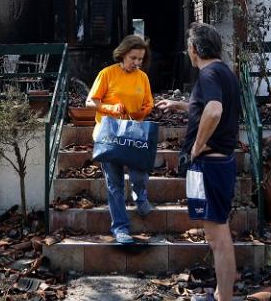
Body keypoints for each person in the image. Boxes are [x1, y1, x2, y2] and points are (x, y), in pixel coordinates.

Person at [156, 22, 240, 301]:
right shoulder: (224, 72)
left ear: (194, 49)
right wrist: (181, 105)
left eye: (188, 47)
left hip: (210, 164)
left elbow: (214, 111)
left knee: (218, 237)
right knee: (218, 231)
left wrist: (197, 146)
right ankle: (220, 291)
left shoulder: (208, 75)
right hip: (220, 163)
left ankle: (223, 297)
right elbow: (209, 106)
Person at [86, 35, 154, 244]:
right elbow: (91, 101)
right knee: (114, 184)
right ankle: (121, 229)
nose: (137, 63)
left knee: (140, 173)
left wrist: (144, 110)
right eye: (133, 58)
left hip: (134, 133)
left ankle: (140, 195)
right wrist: (110, 108)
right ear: (123, 54)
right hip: (109, 135)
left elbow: (148, 102)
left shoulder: (142, 77)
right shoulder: (107, 74)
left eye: (140, 59)